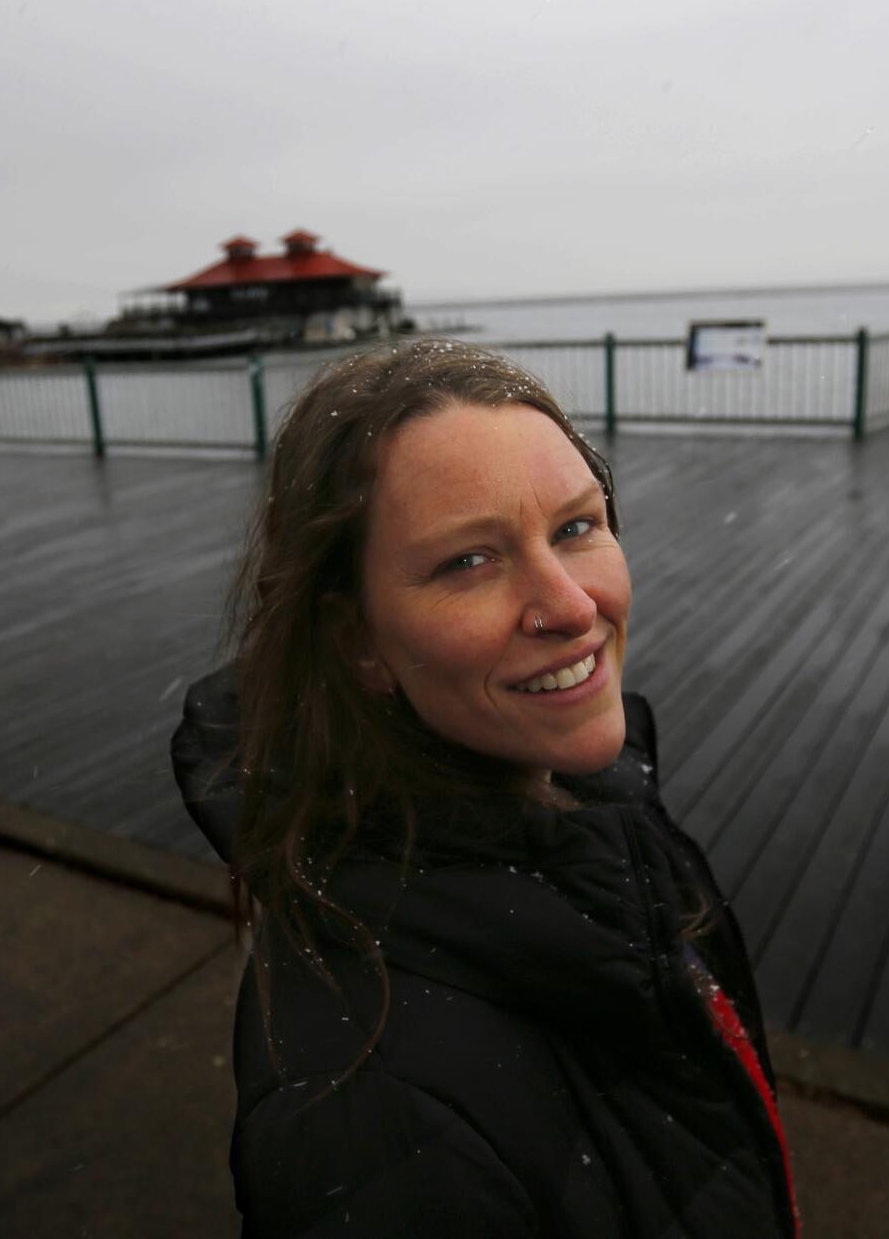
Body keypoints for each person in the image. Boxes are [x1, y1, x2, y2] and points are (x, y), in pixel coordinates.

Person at [173, 339, 800, 1237]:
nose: (572, 605)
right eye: (470, 561)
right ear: (356, 640)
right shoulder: (370, 1122)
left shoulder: (598, 806)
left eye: (577, 527)